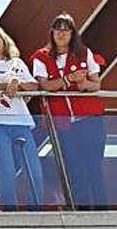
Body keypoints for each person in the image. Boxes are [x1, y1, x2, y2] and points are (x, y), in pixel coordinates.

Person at [30, 13, 106, 209]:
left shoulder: (84, 53)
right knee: (75, 169)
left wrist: (83, 83)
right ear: (52, 33)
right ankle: (80, 212)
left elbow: (96, 85)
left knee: (94, 167)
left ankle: (101, 212)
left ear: (73, 33)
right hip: (63, 124)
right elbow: (44, 85)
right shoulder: (41, 57)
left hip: (90, 119)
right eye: (58, 29)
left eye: (66, 29)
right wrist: (67, 80)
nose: (61, 34)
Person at [0, 24, 42, 210]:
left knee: (33, 170)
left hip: (21, 122)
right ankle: (11, 214)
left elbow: (34, 87)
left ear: (4, 41)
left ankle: (37, 213)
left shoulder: (17, 63)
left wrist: (17, 83)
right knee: (6, 171)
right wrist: (6, 85)